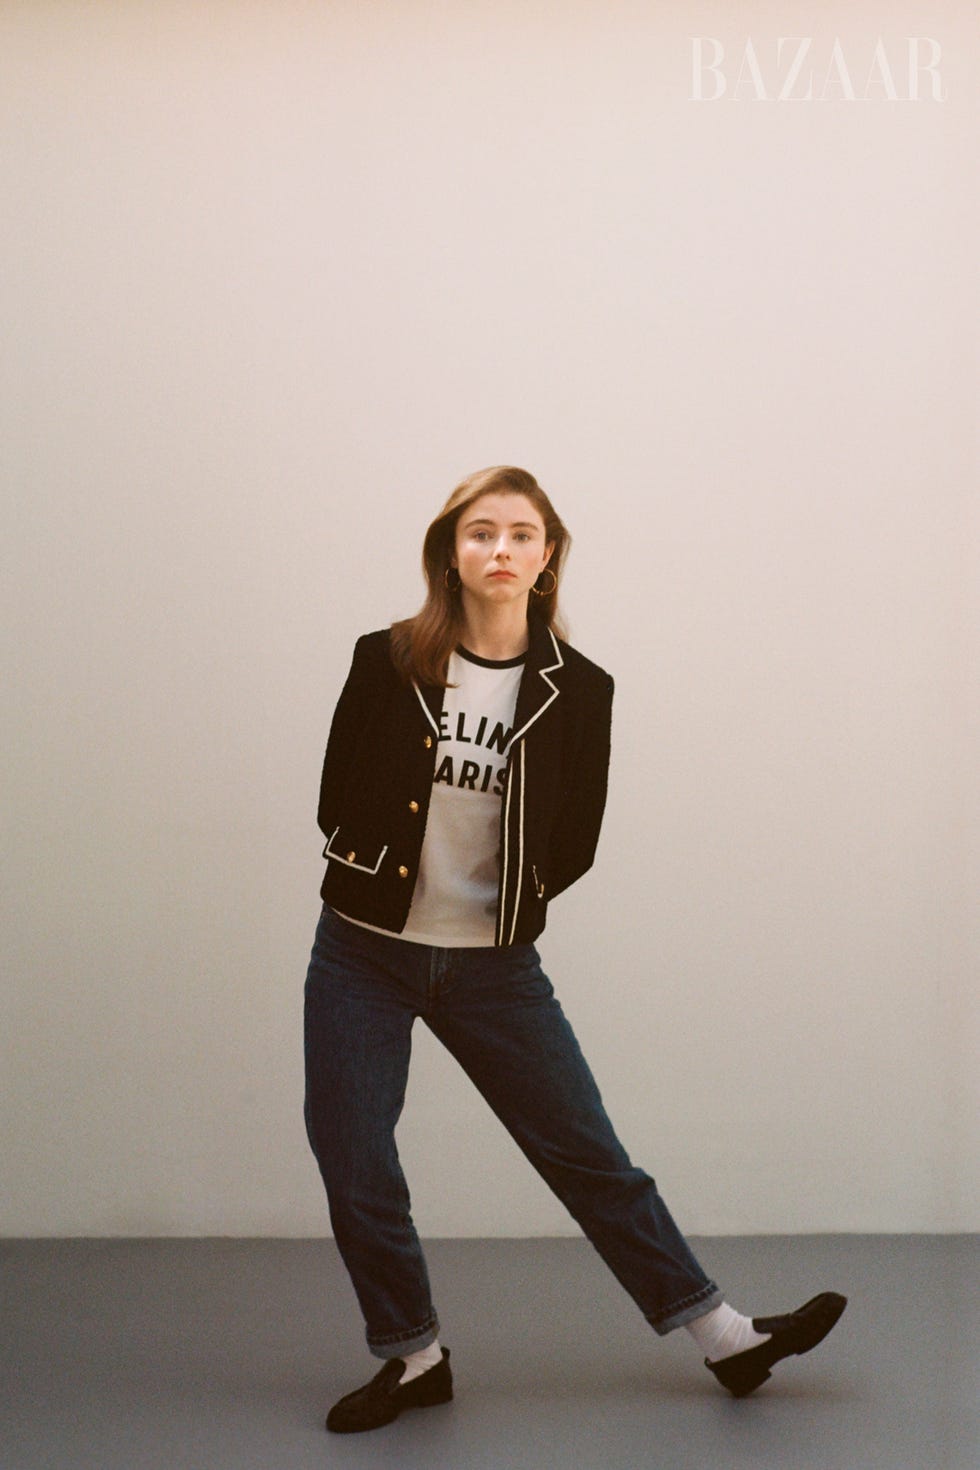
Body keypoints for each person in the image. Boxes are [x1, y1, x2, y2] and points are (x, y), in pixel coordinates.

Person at [303, 465, 846, 1434]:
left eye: (519, 534)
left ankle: (725, 1338)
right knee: (355, 1161)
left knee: (588, 1157)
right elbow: (335, 792)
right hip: (363, 954)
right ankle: (412, 1356)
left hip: (492, 967)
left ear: (547, 555)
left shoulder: (579, 689)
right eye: (479, 533)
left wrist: (508, 901)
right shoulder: (384, 659)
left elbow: (575, 838)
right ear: (449, 552)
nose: (498, 550)